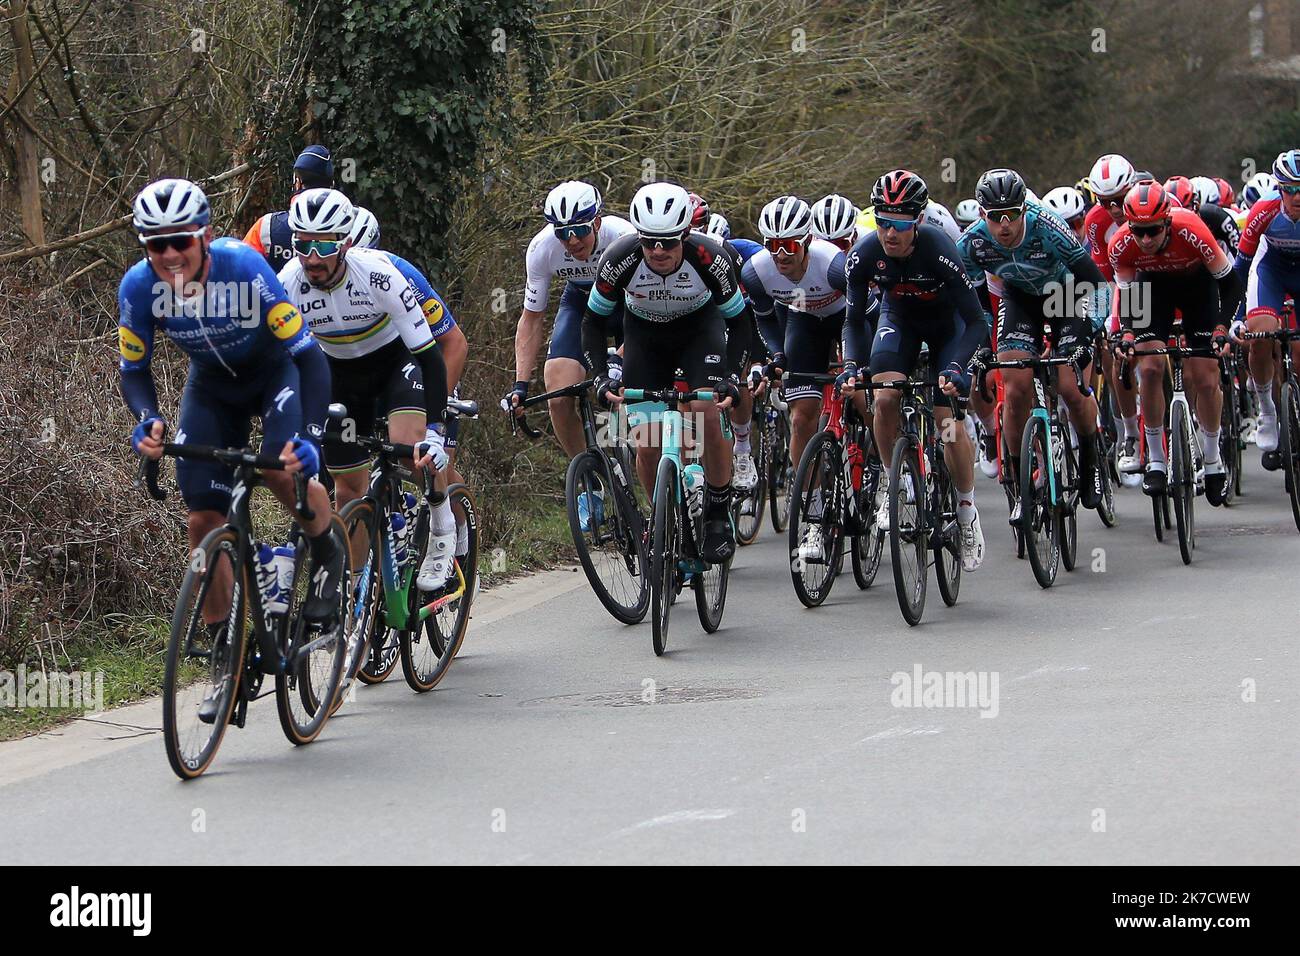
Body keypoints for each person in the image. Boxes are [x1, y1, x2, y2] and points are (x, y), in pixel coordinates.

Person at [120, 179, 342, 675]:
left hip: (274, 373)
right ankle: (225, 650)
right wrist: (147, 420)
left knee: (281, 471)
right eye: (158, 245)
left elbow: (308, 358)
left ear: (205, 236)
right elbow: (134, 370)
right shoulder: (138, 287)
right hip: (212, 388)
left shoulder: (243, 266)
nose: (171, 255)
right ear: (145, 248)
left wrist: (310, 435)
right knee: (202, 519)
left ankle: (328, 549)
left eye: (182, 241)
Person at [277, 190, 455, 589]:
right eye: (302, 245)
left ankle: (443, 525)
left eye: (323, 245)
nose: (313, 257)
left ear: (344, 244)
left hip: (396, 364)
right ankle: (355, 592)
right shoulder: (287, 283)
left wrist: (436, 432)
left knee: (411, 450)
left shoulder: (379, 274)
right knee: (348, 489)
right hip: (338, 377)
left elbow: (430, 356)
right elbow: (275, 362)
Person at [581, 181, 752, 564]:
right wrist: (600, 376)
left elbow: (741, 323)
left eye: (669, 242)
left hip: (699, 332)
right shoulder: (619, 258)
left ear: (685, 235)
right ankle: (662, 516)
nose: (658, 251)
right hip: (644, 337)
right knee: (647, 442)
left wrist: (732, 377)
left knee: (707, 410)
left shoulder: (710, 257)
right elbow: (592, 321)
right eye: (649, 241)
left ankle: (718, 512)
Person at [843, 169, 988, 571]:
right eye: (883, 221)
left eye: (900, 224)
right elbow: (854, 321)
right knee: (884, 396)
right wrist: (853, 365)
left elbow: (976, 321)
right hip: (900, 319)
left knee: (946, 420)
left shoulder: (940, 248)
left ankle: (965, 509)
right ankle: (895, 485)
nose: (890, 233)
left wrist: (958, 367)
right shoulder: (865, 252)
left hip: (948, 328)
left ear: (918, 220)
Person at [959, 169, 1108, 522]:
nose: (1005, 224)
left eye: (1013, 214)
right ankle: (1019, 479)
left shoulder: (1048, 226)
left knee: (1071, 388)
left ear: (1025, 209)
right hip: (1020, 299)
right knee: (1015, 386)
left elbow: (1098, 285)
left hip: (1067, 295)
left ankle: (1090, 458)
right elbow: (970, 301)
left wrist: (1091, 334)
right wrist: (981, 346)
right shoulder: (971, 243)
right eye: (996, 217)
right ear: (983, 215)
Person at [1110, 181, 1241, 505]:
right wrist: (1126, 335)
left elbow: (1231, 284)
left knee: (1205, 374)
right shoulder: (1122, 244)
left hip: (1198, 288)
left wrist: (1222, 329)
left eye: (1152, 231)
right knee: (1150, 365)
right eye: (1138, 231)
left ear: (1167, 222)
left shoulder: (1192, 229)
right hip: (1153, 291)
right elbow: (1126, 299)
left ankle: (1212, 461)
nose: (1145, 239)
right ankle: (1155, 458)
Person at [505, 181, 635, 461]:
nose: (572, 240)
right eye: (563, 233)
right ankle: (592, 474)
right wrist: (520, 384)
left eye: (580, 230)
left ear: (597, 222)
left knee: (633, 393)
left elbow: (650, 311)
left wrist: (621, 359)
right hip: (581, 302)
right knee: (558, 395)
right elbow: (531, 319)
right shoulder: (542, 248)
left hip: (630, 307)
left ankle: (652, 468)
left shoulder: (625, 237)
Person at [1234, 149, 1300, 465]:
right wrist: (1233, 318)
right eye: (1290, 189)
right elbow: (1240, 267)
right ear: (1279, 189)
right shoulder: (1264, 210)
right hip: (1271, 270)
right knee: (1260, 338)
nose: (1297, 196)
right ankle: (1267, 409)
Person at [243, 145, 335, 271]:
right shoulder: (350, 225)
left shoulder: (266, 226)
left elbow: (242, 271)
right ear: (331, 186)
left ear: (297, 183)